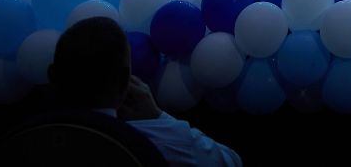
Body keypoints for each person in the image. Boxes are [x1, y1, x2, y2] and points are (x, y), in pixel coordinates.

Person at [48, 16, 241, 167]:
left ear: (52, 75)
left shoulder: (34, 139)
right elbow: (231, 161)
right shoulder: (162, 143)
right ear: (126, 81)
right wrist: (159, 118)